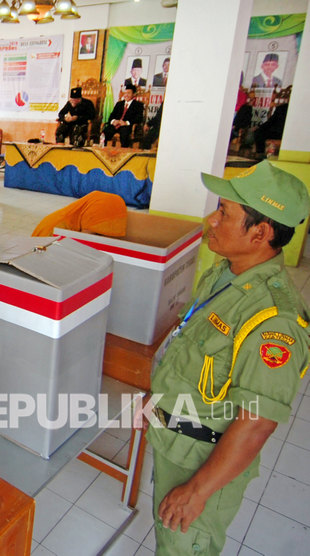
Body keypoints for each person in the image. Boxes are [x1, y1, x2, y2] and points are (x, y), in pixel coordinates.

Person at [145, 160, 310, 555]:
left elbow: (256, 424)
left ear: (261, 233)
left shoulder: (275, 321)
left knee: (183, 546)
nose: (211, 220)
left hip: (202, 462)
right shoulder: (227, 273)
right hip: (176, 441)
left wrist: (197, 491)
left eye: (224, 213)